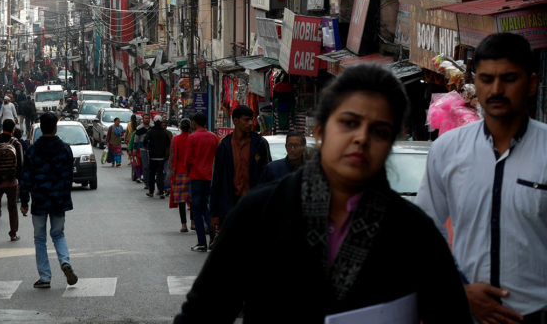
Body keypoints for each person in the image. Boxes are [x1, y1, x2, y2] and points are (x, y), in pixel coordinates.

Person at [173, 64, 472, 323]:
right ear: (320, 130)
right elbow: (203, 314)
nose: (361, 138)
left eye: (379, 130)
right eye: (349, 123)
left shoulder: (413, 232)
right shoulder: (260, 214)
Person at [417, 32, 547, 322]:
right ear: (475, 84)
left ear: (532, 84)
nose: (496, 90)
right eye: (487, 79)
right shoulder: (447, 149)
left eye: (509, 79)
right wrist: (458, 289)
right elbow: (425, 231)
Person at [19, 112, 79, 290]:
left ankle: (45, 277)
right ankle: (65, 262)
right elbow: (69, 175)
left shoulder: (33, 150)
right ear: (55, 127)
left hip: (39, 200)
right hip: (58, 200)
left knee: (39, 238)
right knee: (58, 234)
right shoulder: (65, 149)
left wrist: (24, 202)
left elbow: (26, 178)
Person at [210, 104, 271, 243]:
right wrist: (214, 213)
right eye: (246, 120)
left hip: (253, 205)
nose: (250, 123)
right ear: (235, 121)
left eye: (251, 120)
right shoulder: (224, 146)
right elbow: (217, 181)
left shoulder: (260, 144)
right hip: (229, 205)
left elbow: (267, 177)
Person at [186, 112, 219, 251]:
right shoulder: (214, 137)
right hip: (210, 178)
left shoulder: (192, 137)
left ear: (194, 123)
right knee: (207, 207)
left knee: (197, 210)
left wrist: (189, 173)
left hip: (196, 177)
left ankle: (201, 242)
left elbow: (188, 160)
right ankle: (212, 233)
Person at [169, 118, 192, 233]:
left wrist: (170, 175)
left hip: (179, 173)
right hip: (192, 173)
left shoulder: (176, 139)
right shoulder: (193, 139)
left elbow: (172, 157)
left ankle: (184, 225)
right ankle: (193, 222)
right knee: (192, 199)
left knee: (182, 200)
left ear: (180, 127)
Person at [144, 115, 171, 198]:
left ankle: (151, 192)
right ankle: (161, 192)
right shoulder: (164, 132)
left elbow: (145, 140)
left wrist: (147, 148)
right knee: (160, 175)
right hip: (161, 157)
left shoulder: (150, 131)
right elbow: (168, 143)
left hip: (152, 157)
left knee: (151, 175)